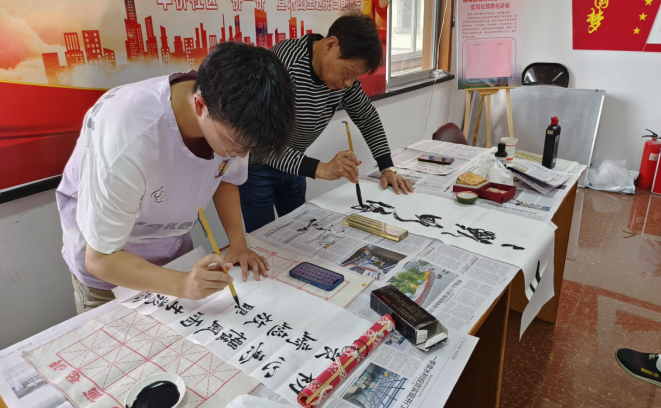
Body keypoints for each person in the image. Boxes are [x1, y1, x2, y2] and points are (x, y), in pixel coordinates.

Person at [56, 42, 296, 314]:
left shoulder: (231, 115)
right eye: (237, 146)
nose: (242, 155)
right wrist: (182, 284)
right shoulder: (128, 138)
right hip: (111, 273)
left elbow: (226, 177)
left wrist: (238, 243)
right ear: (200, 105)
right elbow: (100, 259)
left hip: (173, 255)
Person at [239, 12, 414, 233]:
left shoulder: (343, 80)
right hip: (257, 166)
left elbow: (367, 117)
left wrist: (386, 167)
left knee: (297, 232)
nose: (348, 83)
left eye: (356, 77)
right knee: (262, 237)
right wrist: (322, 169)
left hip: (295, 162)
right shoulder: (284, 65)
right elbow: (260, 143)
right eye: (348, 73)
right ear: (331, 46)